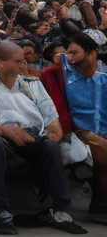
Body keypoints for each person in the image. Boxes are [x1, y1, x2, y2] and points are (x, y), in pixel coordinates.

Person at [0, 40, 86, 236]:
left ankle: (61, 211)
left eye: (24, 61)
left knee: (50, 147)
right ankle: (2, 211)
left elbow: (52, 121)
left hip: (33, 138)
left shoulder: (31, 84)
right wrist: (5, 131)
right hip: (2, 138)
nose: (23, 66)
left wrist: (41, 140)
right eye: (18, 61)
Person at [41, 31, 107, 215]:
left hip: (102, 128)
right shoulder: (61, 72)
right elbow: (59, 58)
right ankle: (99, 207)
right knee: (101, 148)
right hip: (77, 131)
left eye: (74, 53)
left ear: (92, 53)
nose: (70, 57)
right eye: (68, 53)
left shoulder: (103, 75)